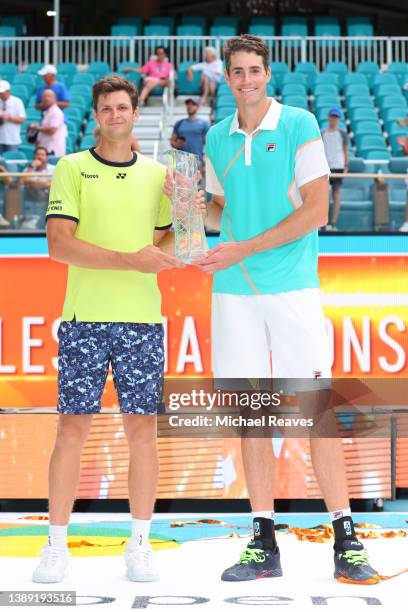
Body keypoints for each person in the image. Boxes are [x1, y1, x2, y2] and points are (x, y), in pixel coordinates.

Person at [186, 34, 377, 585]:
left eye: (254, 70)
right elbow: (225, 206)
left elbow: (317, 210)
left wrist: (243, 245)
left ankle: (346, 538)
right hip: (234, 293)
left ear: (267, 74)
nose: (245, 79)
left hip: (292, 287)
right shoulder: (217, 138)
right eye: (236, 71)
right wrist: (197, 206)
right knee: (251, 420)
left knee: (315, 412)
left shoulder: (298, 124)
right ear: (226, 76)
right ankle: (262, 540)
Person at [31, 75, 204, 585]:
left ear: (134, 112)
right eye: (106, 108)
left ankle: (141, 544)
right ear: (96, 115)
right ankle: (56, 545)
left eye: (122, 106)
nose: (114, 114)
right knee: (72, 430)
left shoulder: (158, 175)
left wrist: (187, 207)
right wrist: (130, 259)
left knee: (142, 433)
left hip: (143, 323)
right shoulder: (72, 168)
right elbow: (59, 245)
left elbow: (171, 248)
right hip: (84, 320)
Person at [321, 108, 349, 231]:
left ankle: (333, 223)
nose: (333, 119)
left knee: (336, 194)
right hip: (325, 167)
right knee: (324, 195)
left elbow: (345, 150)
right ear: (328, 117)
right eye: (332, 116)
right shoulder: (322, 133)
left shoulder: (342, 133)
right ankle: (323, 222)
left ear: (338, 119)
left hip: (338, 166)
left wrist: (346, 166)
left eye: (336, 117)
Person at [170, 98, 210, 163]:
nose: (190, 107)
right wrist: (176, 144)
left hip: (197, 161)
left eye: (193, 105)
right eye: (188, 105)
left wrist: (205, 162)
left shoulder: (204, 124)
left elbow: (208, 144)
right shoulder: (179, 123)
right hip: (181, 161)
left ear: (197, 107)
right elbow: (172, 141)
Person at [30, 90, 67, 157]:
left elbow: (52, 130)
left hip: (53, 150)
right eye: (44, 96)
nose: (46, 98)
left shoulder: (56, 112)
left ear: (55, 98)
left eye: (49, 96)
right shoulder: (48, 112)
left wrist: (37, 128)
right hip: (46, 148)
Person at [0, 79, 26, 153]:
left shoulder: (17, 102)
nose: (0, 95)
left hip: (12, 139)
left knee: (11, 161)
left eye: (2, 93)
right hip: (1, 138)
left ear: (8, 91)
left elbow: (22, 119)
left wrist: (9, 118)